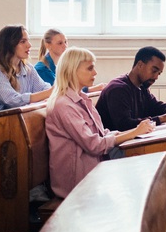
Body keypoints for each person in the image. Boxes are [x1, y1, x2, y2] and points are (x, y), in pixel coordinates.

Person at [45, 47, 155, 198]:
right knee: (138, 176)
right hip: (78, 182)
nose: (95, 73)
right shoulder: (64, 105)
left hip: (93, 168)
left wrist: (133, 132)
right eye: (90, 68)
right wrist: (134, 132)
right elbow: (94, 145)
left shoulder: (82, 99)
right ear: (72, 70)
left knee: (144, 163)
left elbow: (102, 133)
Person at [95, 46, 166, 131]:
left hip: (130, 142)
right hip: (113, 148)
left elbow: (157, 108)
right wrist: (163, 119)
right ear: (140, 65)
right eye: (154, 71)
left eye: (159, 73)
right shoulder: (118, 89)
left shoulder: (142, 87)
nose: (156, 77)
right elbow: (124, 125)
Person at [0, 25, 53, 115]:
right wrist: (49, 93)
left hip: (8, 118)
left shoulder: (27, 68)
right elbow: (13, 101)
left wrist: (52, 92)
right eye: (23, 41)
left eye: (28, 40)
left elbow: (43, 88)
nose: (29, 45)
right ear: (9, 45)